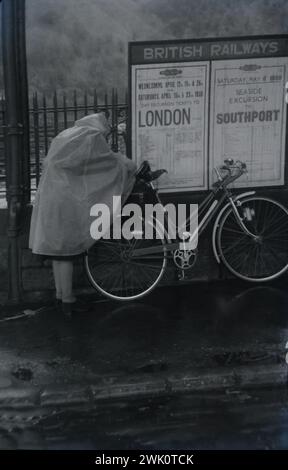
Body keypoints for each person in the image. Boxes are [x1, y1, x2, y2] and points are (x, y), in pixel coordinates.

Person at [29, 112, 136, 315]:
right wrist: (126, 164)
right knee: (67, 252)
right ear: (101, 127)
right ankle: (69, 301)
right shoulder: (91, 137)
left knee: (57, 252)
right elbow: (106, 163)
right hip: (64, 199)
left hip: (49, 196)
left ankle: (60, 296)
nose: (104, 137)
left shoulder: (66, 134)